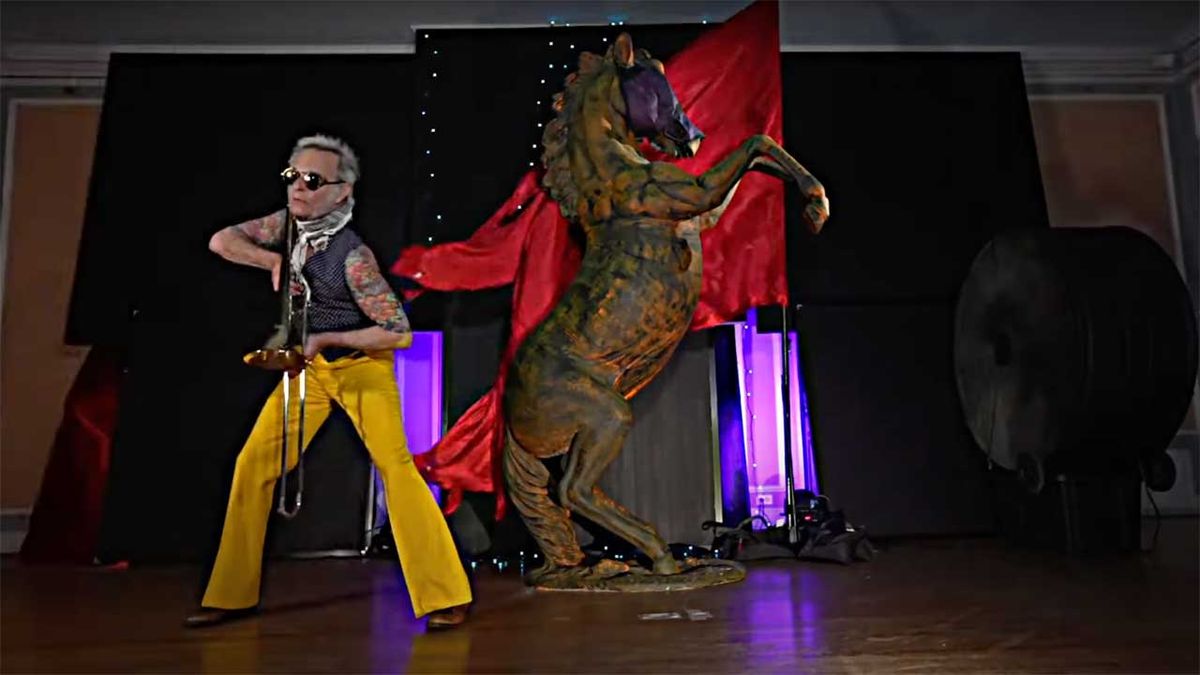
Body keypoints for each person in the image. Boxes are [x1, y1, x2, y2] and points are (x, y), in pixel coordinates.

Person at [185, 133, 471, 630]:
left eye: (312, 180)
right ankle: (230, 595)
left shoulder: (354, 258)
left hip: (361, 367)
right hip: (312, 372)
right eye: (292, 176)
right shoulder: (288, 227)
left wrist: (328, 340)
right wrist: (272, 259)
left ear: (341, 192)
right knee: (253, 465)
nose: (298, 188)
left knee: (396, 468)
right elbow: (221, 240)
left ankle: (445, 594)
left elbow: (398, 333)